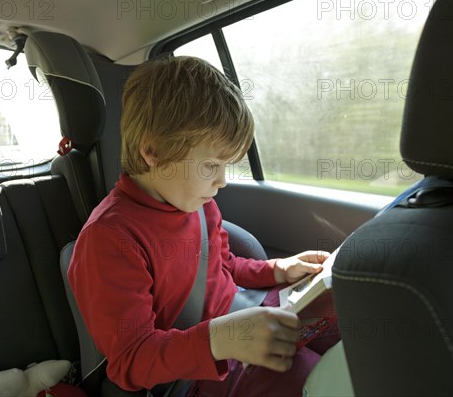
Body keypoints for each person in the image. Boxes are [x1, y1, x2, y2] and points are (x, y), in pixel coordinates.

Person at [68, 56, 331, 396]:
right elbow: (131, 360)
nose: (222, 181)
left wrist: (279, 270)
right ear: (154, 151)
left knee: (343, 323)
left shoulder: (199, 204)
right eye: (211, 165)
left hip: (242, 317)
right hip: (196, 370)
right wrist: (223, 340)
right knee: (314, 381)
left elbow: (225, 266)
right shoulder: (110, 239)